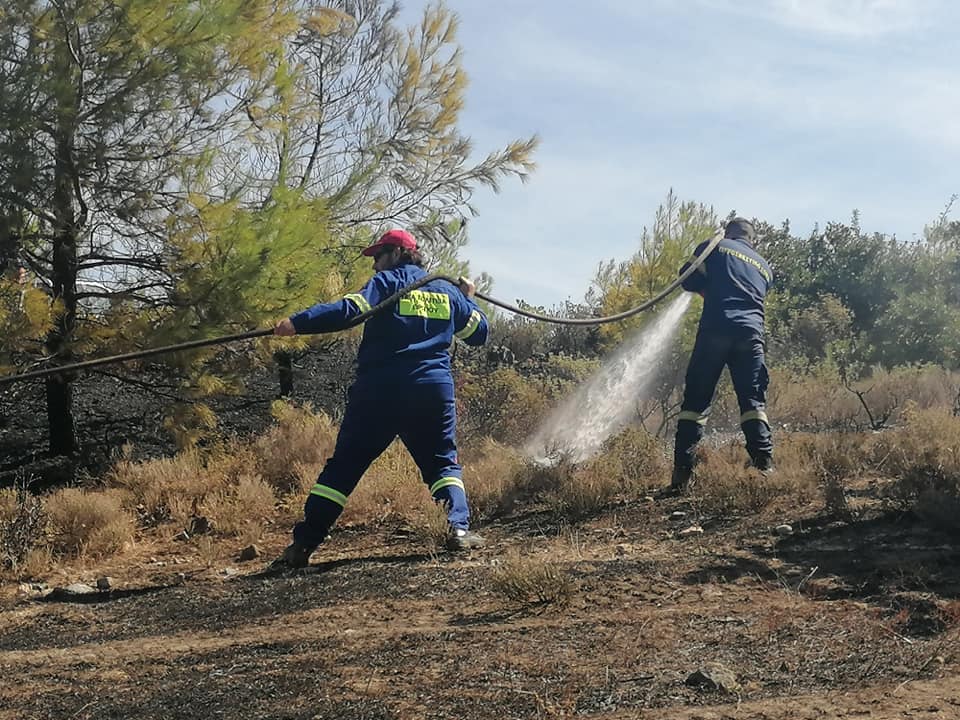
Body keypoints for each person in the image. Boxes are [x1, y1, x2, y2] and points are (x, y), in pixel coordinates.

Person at [273, 229, 489, 567]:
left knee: (344, 468)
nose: (374, 265)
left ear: (397, 254)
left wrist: (296, 324)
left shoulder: (387, 283)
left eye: (378, 256)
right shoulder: (447, 291)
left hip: (380, 391)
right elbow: (479, 333)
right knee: (442, 464)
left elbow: (349, 310)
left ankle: (303, 545)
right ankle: (458, 531)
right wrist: (468, 298)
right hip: (432, 390)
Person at [669, 217, 774, 494]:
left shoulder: (715, 247)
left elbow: (687, 279)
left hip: (717, 328)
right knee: (753, 402)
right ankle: (764, 466)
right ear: (752, 239)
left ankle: (682, 475)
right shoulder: (764, 266)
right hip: (751, 336)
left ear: (727, 232)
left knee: (696, 402)